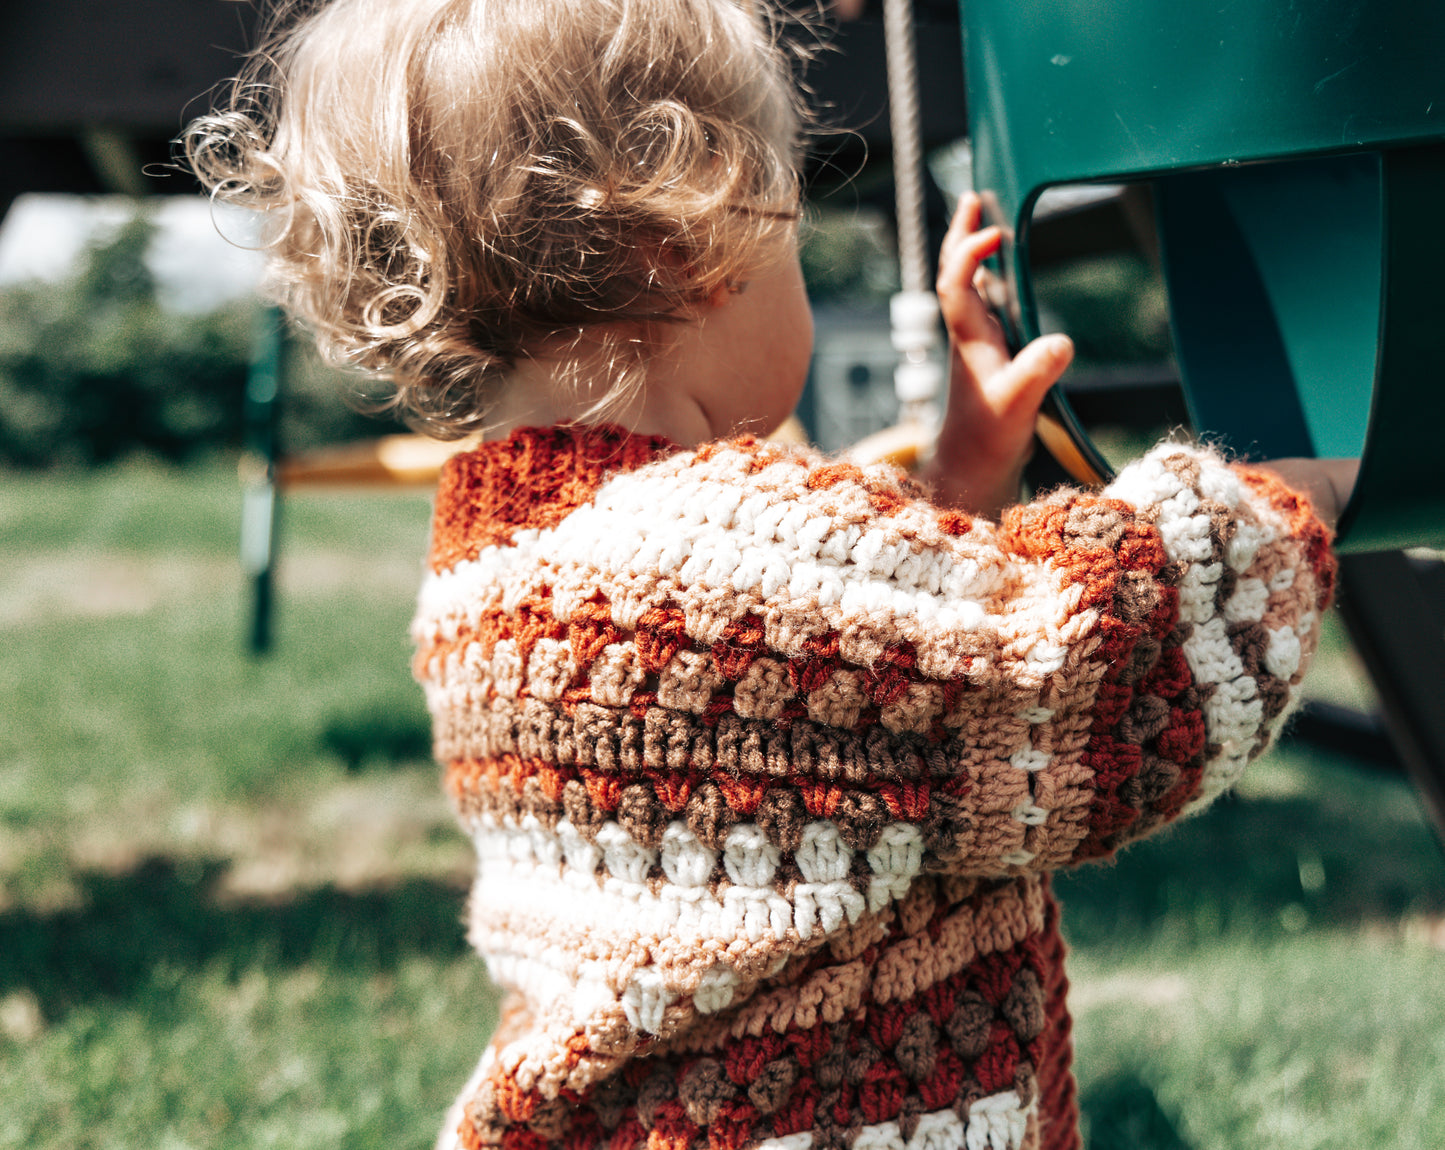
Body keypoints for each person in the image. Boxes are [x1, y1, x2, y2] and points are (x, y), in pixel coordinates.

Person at [186, 2, 1353, 1148]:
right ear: (690, 247)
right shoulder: (729, 573)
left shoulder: (494, 562)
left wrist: (957, 479)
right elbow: (1068, 679)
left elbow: (837, 739)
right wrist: (1304, 485)